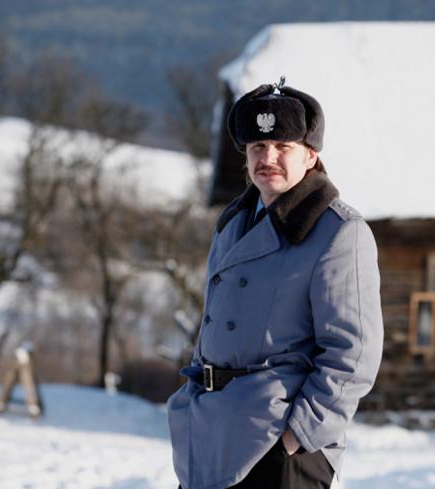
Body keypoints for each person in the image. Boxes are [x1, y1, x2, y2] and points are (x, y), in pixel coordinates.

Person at [166, 77, 384, 489]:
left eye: (283, 146)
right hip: (212, 437)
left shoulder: (339, 232)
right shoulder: (232, 224)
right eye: (258, 146)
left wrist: (297, 436)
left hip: (278, 445)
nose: (268, 157)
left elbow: (353, 354)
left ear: (310, 155)